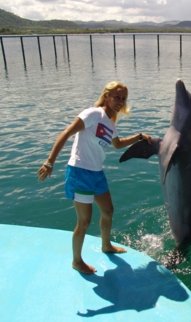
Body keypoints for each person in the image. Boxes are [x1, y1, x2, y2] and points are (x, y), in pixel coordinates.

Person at [37, 81, 151, 274]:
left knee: (108, 211)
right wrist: (50, 162)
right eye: (117, 97)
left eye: (123, 99)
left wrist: (139, 136)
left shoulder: (110, 123)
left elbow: (117, 144)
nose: (120, 101)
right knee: (84, 221)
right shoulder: (93, 114)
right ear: (106, 96)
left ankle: (106, 245)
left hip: (97, 173)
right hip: (80, 171)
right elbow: (66, 133)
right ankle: (76, 260)